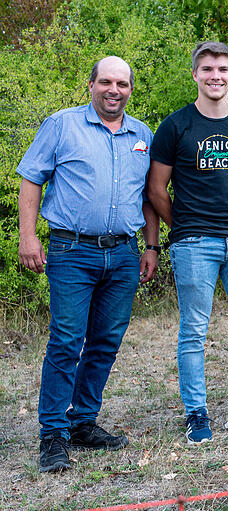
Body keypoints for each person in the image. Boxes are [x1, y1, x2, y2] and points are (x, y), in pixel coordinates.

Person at [16, 56, 160, 473]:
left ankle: (83, 422)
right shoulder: (61, 125)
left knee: (106, 341)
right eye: (106, 82)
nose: (114, 90)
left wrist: (151, 246)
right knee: (65, 341)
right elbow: (31, 179)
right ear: (92, 84)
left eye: (123, 84)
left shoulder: (141, 134)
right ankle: (53, 435)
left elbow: (148, 196)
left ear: (131, 89)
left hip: (123, 253)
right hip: (71, 251)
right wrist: (28, 237)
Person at [148, 41, 228, 445]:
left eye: (222, 69)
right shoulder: (176, 125)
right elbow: (155, 188)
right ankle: (196, 413)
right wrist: (184, 224)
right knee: (194, 331)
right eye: (207, 69)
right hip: (193, 243)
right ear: (195, 75)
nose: (215, 76)